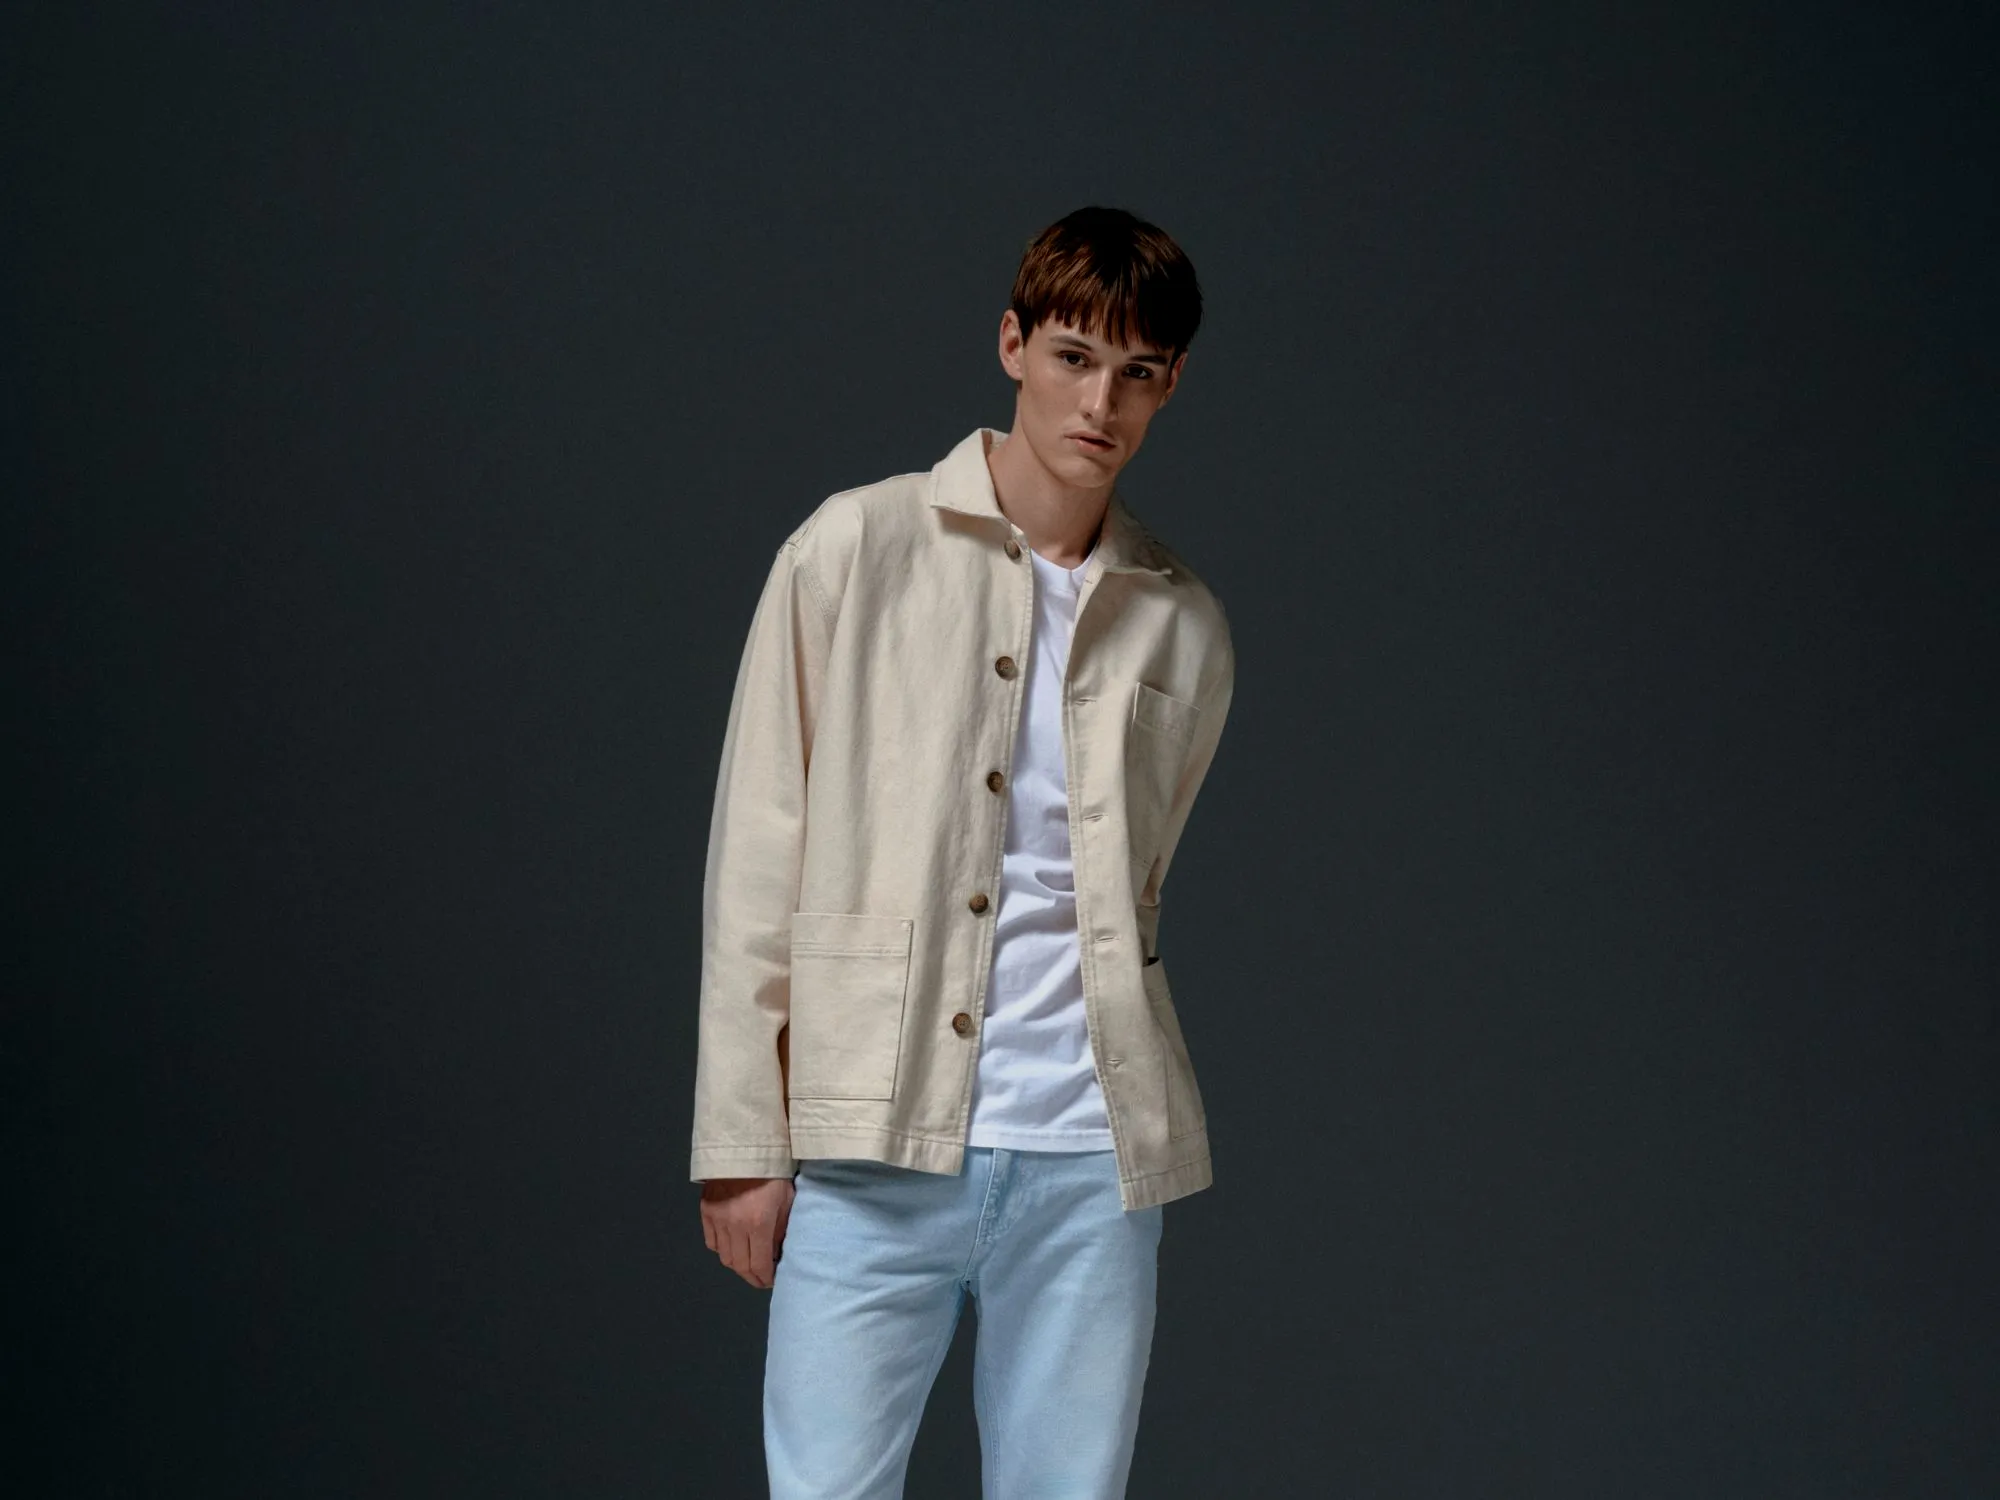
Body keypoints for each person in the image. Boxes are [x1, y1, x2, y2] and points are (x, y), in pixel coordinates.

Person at [690, 204, 1237, 1497]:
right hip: (874, 1144)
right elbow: (758, 852)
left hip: (1092, 1163)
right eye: (1072, 357)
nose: (1098, 402)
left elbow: (1136, 890)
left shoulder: (1184, 626)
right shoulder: (854, 547)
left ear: (1169, 387)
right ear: (1011, 344)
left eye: (1136, 373)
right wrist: (741, 1143)